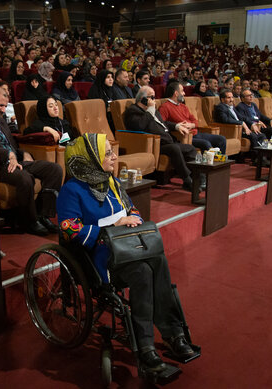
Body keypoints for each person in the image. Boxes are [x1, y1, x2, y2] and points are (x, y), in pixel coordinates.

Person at [57, 133, 196, 372]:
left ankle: (173, 334)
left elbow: (132, 209)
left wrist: (132, 220)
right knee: (142, 271)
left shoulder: (110, 182)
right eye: (108, 153)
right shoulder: (72, 189)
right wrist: (111, 226)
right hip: (98, 257)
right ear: (91, 158)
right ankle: (145, 346)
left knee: (158, 259)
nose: (114, 156)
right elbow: (69, 229)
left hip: (127, 246)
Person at [0, 86, 62, 236]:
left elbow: (12, 144)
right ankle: (30, 221)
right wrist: (8, 155)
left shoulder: (1, 122)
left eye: (5, 106)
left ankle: (44, 215)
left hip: (17, 161)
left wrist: (24, 153)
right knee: (25, 178)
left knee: (55, 169)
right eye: (0, 105)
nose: (3, 110)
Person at [124, 86, 198, 192]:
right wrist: (150, 110)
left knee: (190, 148)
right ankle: (187, 180)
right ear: (143, 98)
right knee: (174, 149)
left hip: (168, 140)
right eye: (151, 97)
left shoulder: (153, 110)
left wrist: (177, 126)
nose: (154, 100)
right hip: (156, 144)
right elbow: (140, 125)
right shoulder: (133, 110)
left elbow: (163, 123)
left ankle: (198, 177)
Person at [160, 82, 226, 153]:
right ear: (176, 93)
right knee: (205, 143)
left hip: (196, 133)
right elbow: (162, 124)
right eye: (182, 91)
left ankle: (221, 162)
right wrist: (178, 126)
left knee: (221, 139)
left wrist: (191, 125)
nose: (184, 93)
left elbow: (195, 121)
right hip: (184, 137)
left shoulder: (183, 106)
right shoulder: (165, 107)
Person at [214, 90, 267, 159]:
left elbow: (242, 117)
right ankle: (257, 159)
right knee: (253, 136)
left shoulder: (232, 107)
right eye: (229, 98)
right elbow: (225, 120)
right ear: (222, 99)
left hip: (241, 128)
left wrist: (252, 124)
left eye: (232, 97)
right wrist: (241, 123)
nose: (231, 100)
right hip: (233, 130)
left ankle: (263, 157)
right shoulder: (221, 107)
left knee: (262, 135)